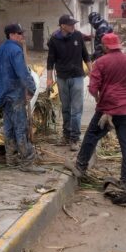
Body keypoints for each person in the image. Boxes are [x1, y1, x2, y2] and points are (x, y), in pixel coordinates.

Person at [67, 33, 126, 184]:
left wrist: (98, 98)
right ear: (119, 45)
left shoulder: (101, 62)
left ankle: (80, 166)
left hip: (107, 111)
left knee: (91, 136)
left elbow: (92, 88)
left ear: (105, 47)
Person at [0, 23, 45, 173]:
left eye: (22, 33)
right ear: (11, 35)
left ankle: (11, 159)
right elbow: (22, 73)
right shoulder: (15, 50)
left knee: (9, 128)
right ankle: (27, 162)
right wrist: (32, 88)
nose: (22, 36)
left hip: (4, 94)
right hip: (15, 94)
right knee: (21, 128)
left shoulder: (1, 49)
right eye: (19, 34)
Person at [47, 15, 91, 151]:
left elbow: (85, 55)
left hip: (77, 76)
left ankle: (75, 138)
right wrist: (49, 79)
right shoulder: (54, 39)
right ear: (62, 26)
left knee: (76, 110)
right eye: (70, 24)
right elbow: (50, 61)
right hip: (62, 78)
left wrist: (93, 73)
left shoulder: (78, 36)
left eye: (73, 24)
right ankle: (66, 135)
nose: (73, 26)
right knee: (65, 108)